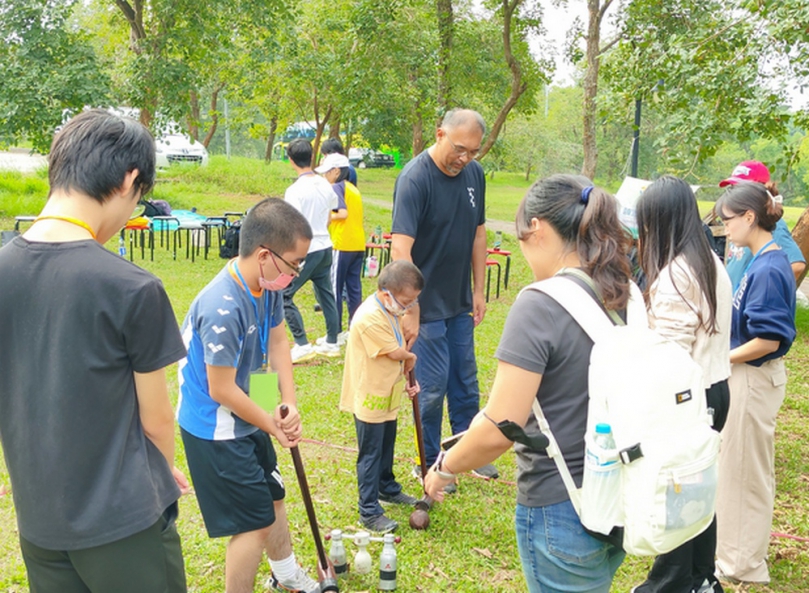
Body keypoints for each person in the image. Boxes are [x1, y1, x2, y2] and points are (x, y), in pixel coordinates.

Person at [0, 109, 188, 592]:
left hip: (39, 520)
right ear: (129, 180)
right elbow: (157, 420)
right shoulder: (131, 286)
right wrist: (161, 477)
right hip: (124, 522)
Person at [424, 175, 631, 592]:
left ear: (535, 228)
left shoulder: (540, 304)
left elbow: (501, 427)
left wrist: (443, 468)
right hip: (618, 496)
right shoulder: (623, 290)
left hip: (562, 506)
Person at [177, 198, 319, 593]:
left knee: (273, 497)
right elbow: (219, 389)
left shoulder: (266, 285)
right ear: (264, 255)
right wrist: (271, 424)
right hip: (215, 429)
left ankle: (286, 573)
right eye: (295, 263)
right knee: (253, 523)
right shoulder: (222, 308)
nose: (297, 273)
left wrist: (282, 404)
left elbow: (275, 344)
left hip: (248, 412)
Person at [631, 176, 733, 593]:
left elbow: (669, 355)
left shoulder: (677, 273)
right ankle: (701, 577)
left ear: (661, 221)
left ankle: (670, 583)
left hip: (686, 396)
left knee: (676, 488)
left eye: (646, 224)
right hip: (715, 387)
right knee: (697, 488)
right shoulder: (710, 261)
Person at [391, 108, 498, 487]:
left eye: (472, 151)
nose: (464, 158)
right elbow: (400, 251)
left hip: (458, 302)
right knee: (432, 387)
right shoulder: (415, 179)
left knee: (465, 381)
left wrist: (479, 289)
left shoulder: (474, 175)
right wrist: (410, 308)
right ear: (439, 134)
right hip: (426, 308)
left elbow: (479, 234)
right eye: (458, 148)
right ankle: (432, 462)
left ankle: (468, 451)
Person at [714, 181, 796, 585]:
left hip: (754, 377)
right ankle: (733, 554)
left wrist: (720, 357)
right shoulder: (760, 259)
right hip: (746, 377)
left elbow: (769, 338)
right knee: (735, 470)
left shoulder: (767, 267)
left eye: (728, 220)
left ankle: (742, 565)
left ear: (750, 217)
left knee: (745, 473)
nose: (725, 228)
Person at [339, 261, 424, 533]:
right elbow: (396, 352)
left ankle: (387, 487)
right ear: (386, 293)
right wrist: (410, 359)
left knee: (386, 445)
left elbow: (400, 355)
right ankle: (369, 510)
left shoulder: (390, 311)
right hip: (369, 397)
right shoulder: (369, 317)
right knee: (370, 453)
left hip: (388, 392)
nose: (409, 308)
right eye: (406, 301)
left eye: (413, 302)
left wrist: (409, 379)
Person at [282, 138, 342, 363]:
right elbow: (329, 216)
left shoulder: (295, 190)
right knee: (326, 293)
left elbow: (292, 225)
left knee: (284, 295)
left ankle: (302, 344)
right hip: (326, 245)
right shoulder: (325, 184)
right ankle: (332, 342)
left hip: (307, 249)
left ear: (290, 160)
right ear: (313, 157)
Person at [720, 160, 806, 287]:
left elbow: (797, 265)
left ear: (761, 190)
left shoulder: (772, 225)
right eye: (733, 188)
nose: (734, 193)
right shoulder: (742, 223)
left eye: (741, 189)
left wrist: (760, 288)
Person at [315, 152, 365, 346]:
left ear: (336, 171)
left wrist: (326, 216)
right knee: (353, 289)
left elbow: (342, 213)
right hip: (357, 244)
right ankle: (354, 327)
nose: (324, 176)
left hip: (341, 244)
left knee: (334, 288)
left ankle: (334, 333)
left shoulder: (336, 187)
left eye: (327, 172)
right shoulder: (353, 189)